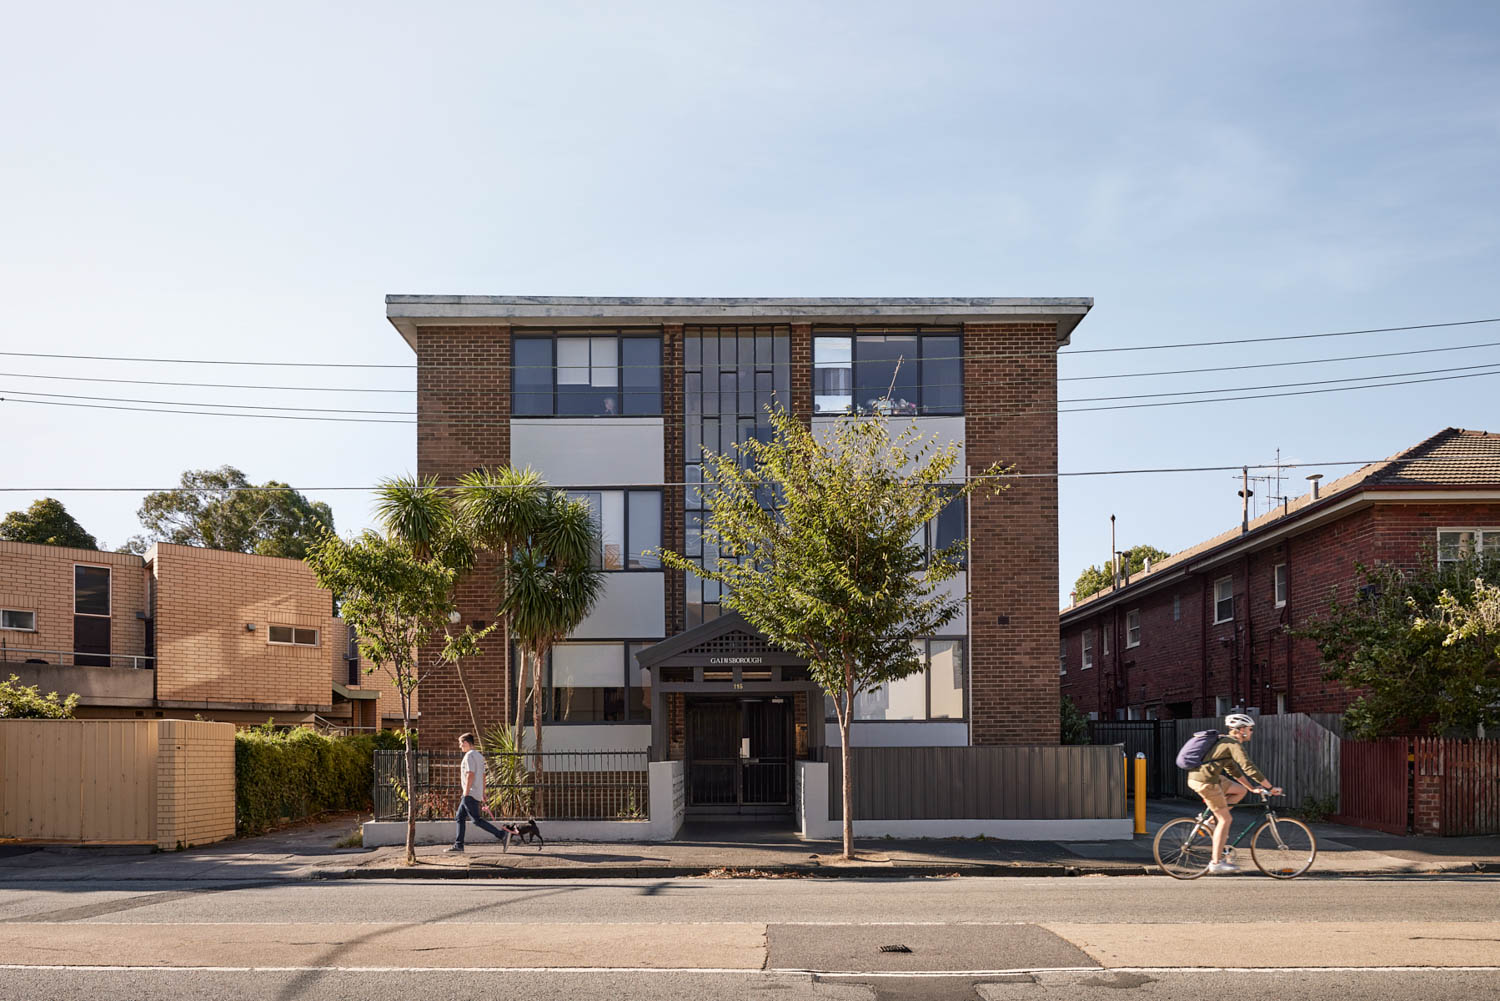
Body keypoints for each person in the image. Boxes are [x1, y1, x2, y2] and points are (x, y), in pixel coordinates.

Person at [1186, 713, 1283, 874]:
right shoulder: (1233, 744)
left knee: (1240, 790)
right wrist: (1270, 787)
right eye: (1250, 729)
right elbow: (1248, 767)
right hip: (1206, 782)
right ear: (1242, 730)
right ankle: (1216, 862)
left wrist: (1252, 788)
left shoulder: (1226, 741)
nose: (1251, 732)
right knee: (1225, 819)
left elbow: (1233, 770)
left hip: (1208, 778)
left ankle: (1210, 822)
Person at [446, 732, 509, 852]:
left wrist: (466, 792)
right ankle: (459, 845)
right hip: (475, 792)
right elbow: (484, 776)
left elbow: (470, 774)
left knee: (476, 820)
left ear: (465, 743)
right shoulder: (479, 756)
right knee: (459, 817)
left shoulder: (469, 756)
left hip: (469, 793)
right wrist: (483, 792)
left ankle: (501, 835)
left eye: (460, 744)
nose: (460, 747)